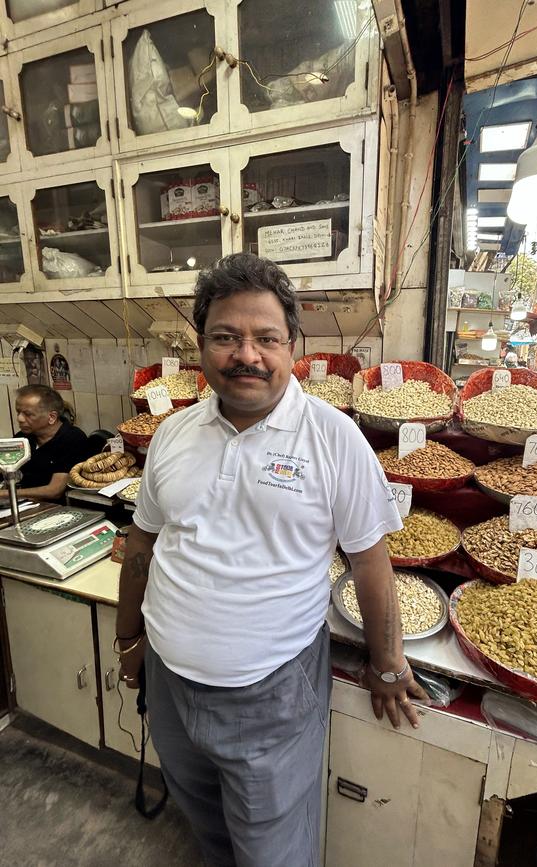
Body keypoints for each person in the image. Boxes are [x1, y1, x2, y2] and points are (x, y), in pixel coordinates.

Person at [115, 253, 428, 867]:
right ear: (202, 345)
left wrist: (388, 663)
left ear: (293, 347)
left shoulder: (334, 437)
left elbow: (370, 561)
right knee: (202, 824)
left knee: (272, 848)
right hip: (171, 681)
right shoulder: (173, 434)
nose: (246, 355)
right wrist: (130, 641)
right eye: (226, 337)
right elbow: (144, 544)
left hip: (272, 693)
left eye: (265, 339)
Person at [3, 385, 88, 502]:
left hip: (59, 508)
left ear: (52, 417)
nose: (20, 419)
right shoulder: (22, 437)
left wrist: (5, 494)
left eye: (28, 414)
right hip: (22, 503)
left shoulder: (72, 438)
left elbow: (54, 491)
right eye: (18, 412)